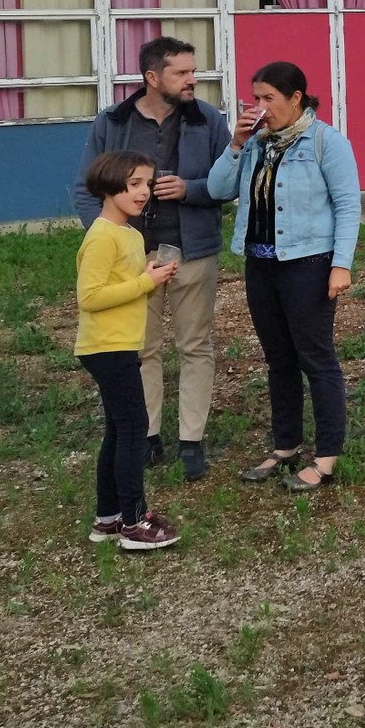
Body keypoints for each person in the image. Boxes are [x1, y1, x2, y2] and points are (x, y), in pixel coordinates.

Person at [72, 36, 230, 482]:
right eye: (182, 73)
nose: (192, 80)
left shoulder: (208, 120)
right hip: (132, 258)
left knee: (195, 346)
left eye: (193, 71)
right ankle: (147, 436)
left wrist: (190, 189)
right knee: (140, 349)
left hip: (192, 250)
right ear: (153, 77)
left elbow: (228, 182)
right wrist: (110, 237)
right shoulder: (113, 122)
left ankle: (192, 440)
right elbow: (86, 187)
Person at [207, 61, 362, 491]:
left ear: (296, 99)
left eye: (268, 98)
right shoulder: (256, 144)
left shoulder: (326, 142)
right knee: (278, 359)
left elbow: (348, 205)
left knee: (316, 358)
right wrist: (235, 144)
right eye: (255, 98)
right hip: (260, 264)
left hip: (308, 264)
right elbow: (218, 189)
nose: (259, 107)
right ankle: (286, 445)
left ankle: (326, 457)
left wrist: (341, 264)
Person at [77, 150, 181, 550]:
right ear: (108, 186)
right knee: (135, 428)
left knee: (119, 429)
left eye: (148, 184)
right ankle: (135, 523)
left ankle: (108, 518)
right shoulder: (102, 235)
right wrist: (144, 283)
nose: (144, 192)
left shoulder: (131, 235)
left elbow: (125, 288)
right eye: (134, 183)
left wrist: (151, 279)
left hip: (121, 344)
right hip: (106, 347)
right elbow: (90, 296)